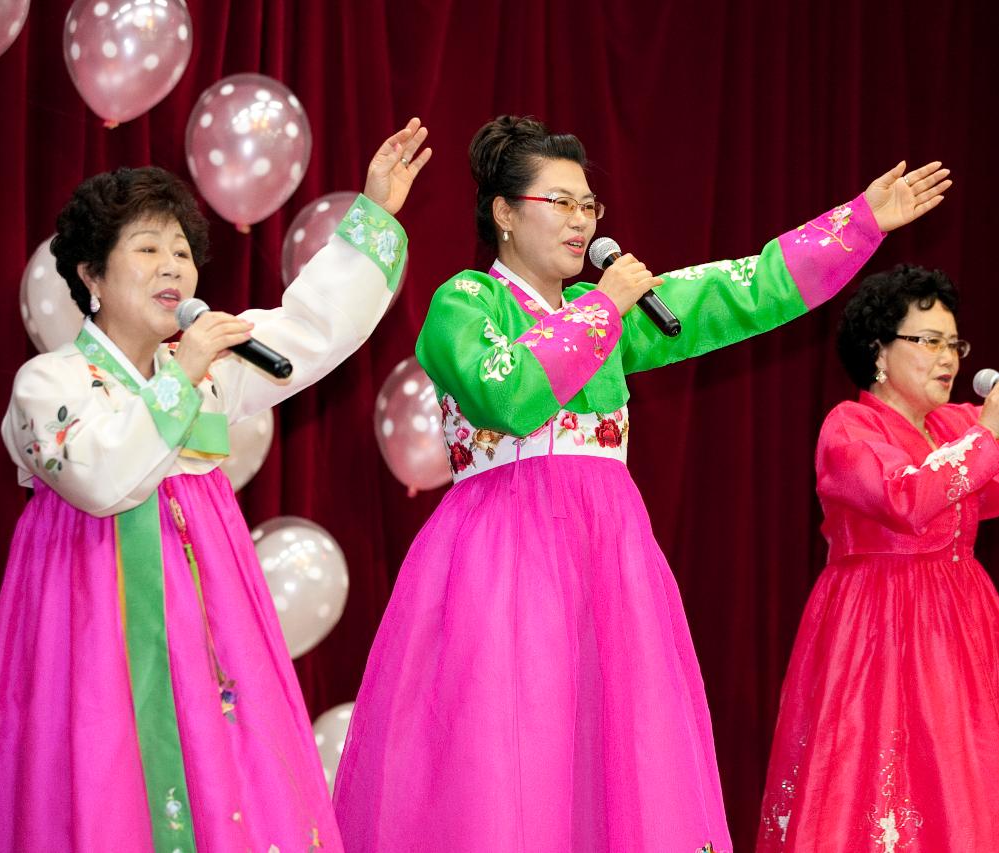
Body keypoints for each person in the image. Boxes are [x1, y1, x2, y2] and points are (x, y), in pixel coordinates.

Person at [332, 115, 950, 851]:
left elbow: (740, 288)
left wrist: (860, 222)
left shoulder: (613, 314)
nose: (580, 220)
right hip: (503, 561)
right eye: (557, 202)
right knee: (507, 762)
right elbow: (507, 394)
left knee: (616, 761)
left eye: (588, 205)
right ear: (502, 212)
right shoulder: (465, 303)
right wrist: (603, 306)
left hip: (607, 558)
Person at [0, 119, 431, 852]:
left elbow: (308, 329)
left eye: (181, 250)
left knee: (228, 789)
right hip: (92, 629)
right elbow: (102, 478)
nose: (171, 265)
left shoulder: (207, 368)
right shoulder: (49, 382)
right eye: (146, 248)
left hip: (211, 637)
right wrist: (181, 377)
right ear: (90, 272)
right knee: (104, 789)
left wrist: (373, 214)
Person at [757, 264, 999, 852]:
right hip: (877, 629)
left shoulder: (951, 425)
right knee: (879, 779)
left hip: (962, 624)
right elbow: (904, 496)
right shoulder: (850, 425)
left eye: (953, 343)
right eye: (929, 342)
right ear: (878, 352)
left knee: (970, 784)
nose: (949, 358)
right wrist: (985, 434)